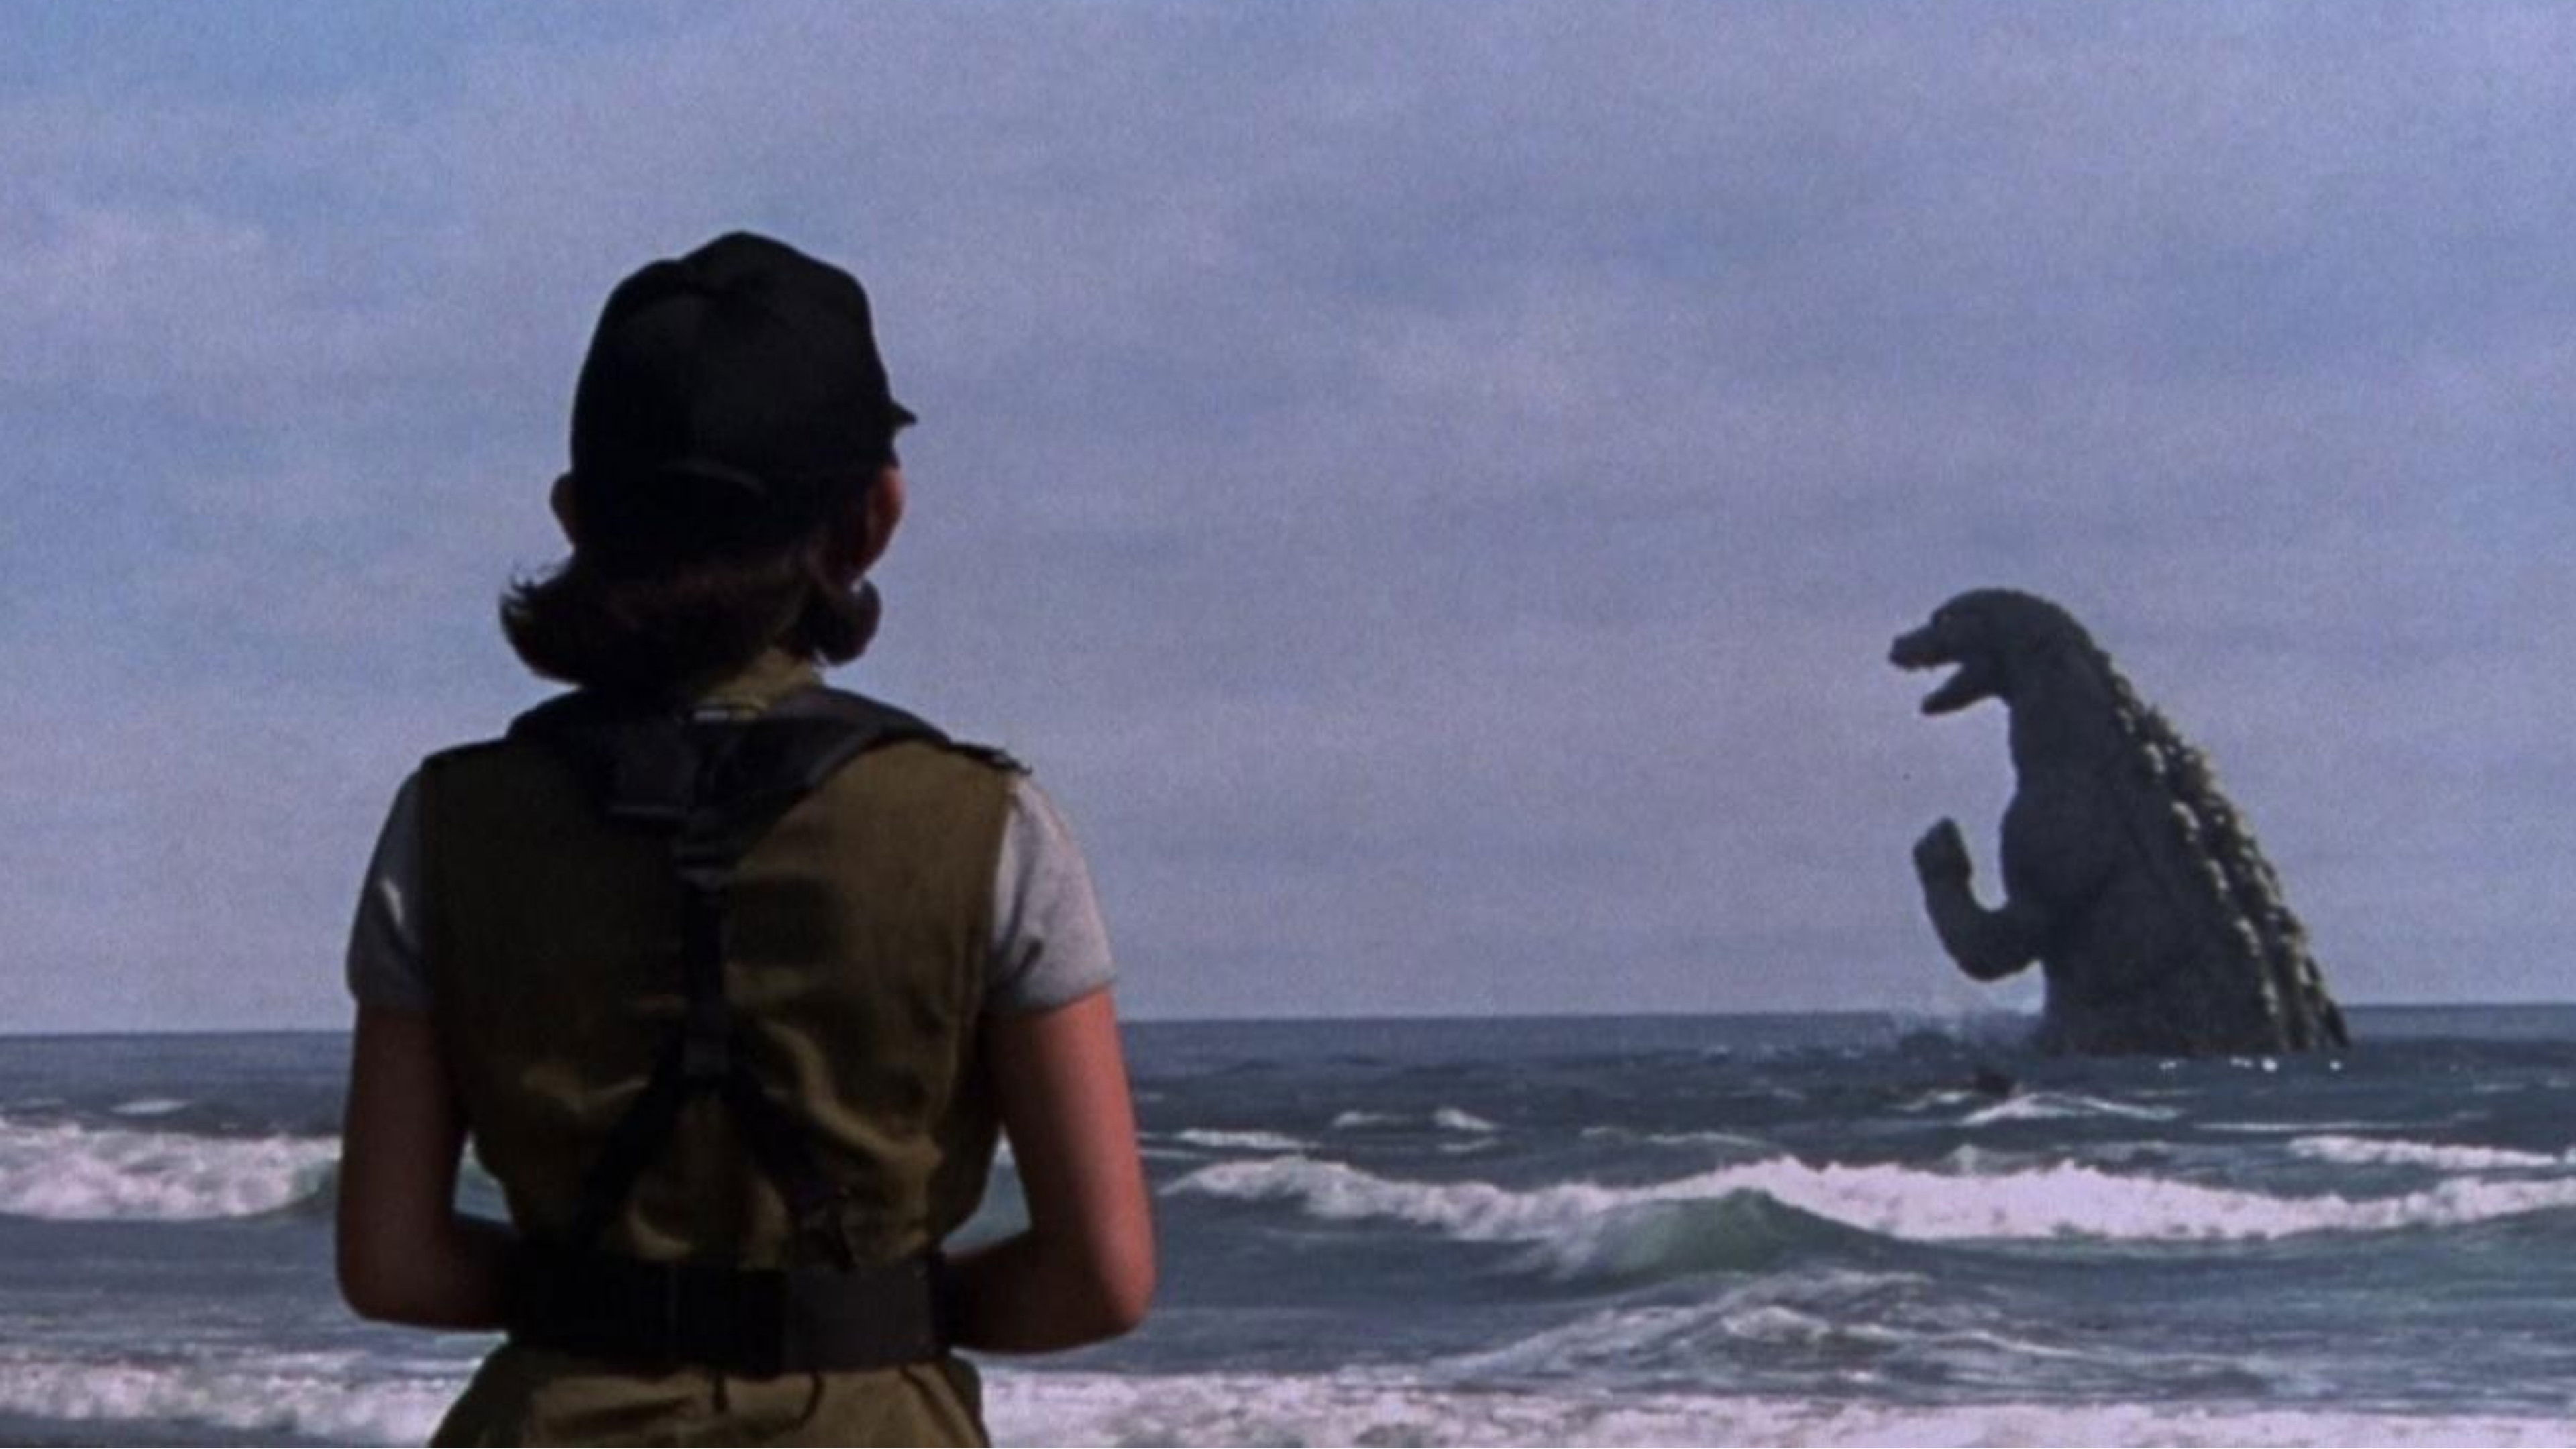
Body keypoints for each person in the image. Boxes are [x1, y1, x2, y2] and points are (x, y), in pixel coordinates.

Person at [335, 232, 1155, 1447]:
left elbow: (393, 1263)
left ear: (576, 518)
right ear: (874, 516)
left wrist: (607, 1304)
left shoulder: (450, 823)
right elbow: (1101, 1278)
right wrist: (867, 1316)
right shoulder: (987, 827)